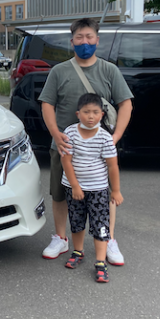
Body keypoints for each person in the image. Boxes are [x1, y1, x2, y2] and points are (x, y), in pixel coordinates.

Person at [39, 17, 133, 264]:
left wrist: (115, 137)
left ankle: (109, 239)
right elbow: (47, 104)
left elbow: (126, 104)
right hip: (64, 146)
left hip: (98, 149)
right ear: (72, 42)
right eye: (79, 38)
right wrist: (55, 133)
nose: (84, 42)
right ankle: (61, 237)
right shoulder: (59, 71)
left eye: (89, 37)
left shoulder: (109, 70)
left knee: (105, 193)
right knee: (60, 193)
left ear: (97, 40)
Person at [60, 93, 123, 282]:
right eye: (86, 112)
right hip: (74, 188)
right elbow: (66, 161)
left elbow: (112, 166)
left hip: (98, 190)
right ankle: (78, 251)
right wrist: (75, 186)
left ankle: (101, 261)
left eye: (95, 112)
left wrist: (115, 190)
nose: (91, 116)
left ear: (102, 115)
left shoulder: (105, 138)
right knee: (76, 221)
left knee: (100, 225)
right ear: (78, 114)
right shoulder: (70, 133)